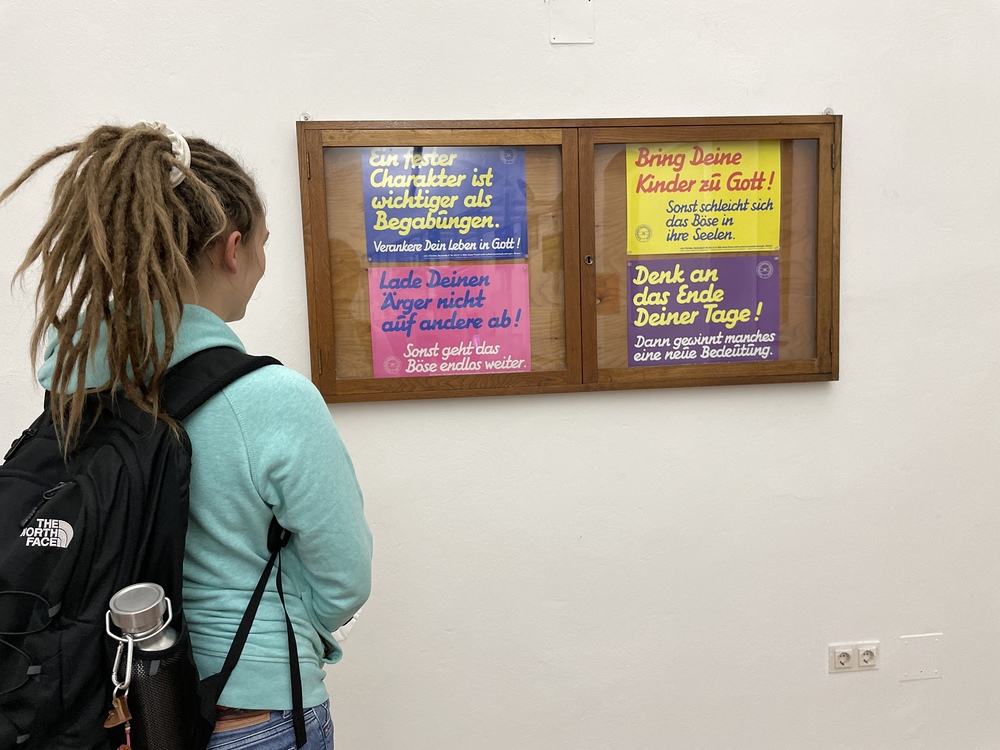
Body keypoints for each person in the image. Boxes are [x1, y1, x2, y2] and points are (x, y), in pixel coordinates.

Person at [1, 122, 372, 749]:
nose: (262, 264)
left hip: (104, 706)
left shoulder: (75, 383)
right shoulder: (270, 399)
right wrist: (276, 635)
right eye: (263, 245)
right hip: (247, 711)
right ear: (233, 249)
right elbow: (345, 579)